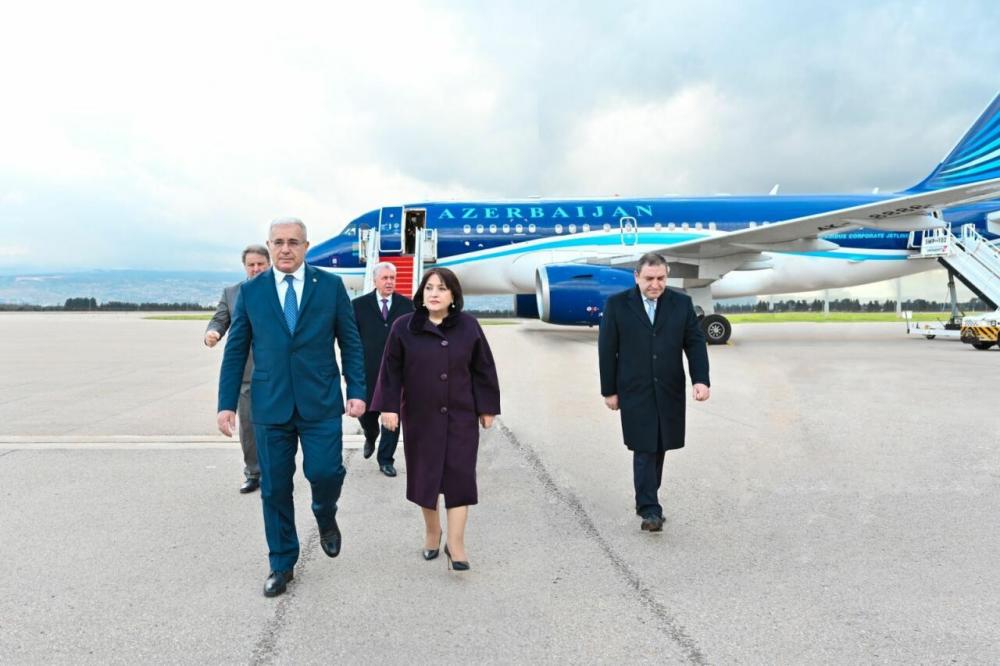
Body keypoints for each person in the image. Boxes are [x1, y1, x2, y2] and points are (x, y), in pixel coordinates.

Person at [217, 217, 366, 597]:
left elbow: (350, 342)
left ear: (306, 247)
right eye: (279, 242)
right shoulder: (251, 292)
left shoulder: (329, 286)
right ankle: (281, 563)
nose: (285, 249)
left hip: (320, 401)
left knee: (326, 472)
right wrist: (226, 403)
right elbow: (236, 351)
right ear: (269, 246)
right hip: (270, 404)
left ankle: (325, 512)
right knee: (275, 489)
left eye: (293, 242)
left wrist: (357, 389)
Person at [371, 267, 500, 571]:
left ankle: (456, 544)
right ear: (421, 293)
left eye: (441, 288)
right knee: (425, 477)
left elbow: (483, 369)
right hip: (420, 417)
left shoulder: (469, 326)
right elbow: (390, 370)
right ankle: (433, 532)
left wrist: (487, 408)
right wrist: (388, 407)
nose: (434, 293)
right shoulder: (404, 327)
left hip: (461, 416)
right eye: (429, 288)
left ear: (453, 295)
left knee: (460, 477)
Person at [597, 252, 710, 533]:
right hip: (634, 389)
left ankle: (648, 500)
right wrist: (609, 391)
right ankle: (649, 508)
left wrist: (700, 380)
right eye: (649, 278)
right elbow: (607, 350)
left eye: (661, 278)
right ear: (637, 277)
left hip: (669, 389)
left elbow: (695, 343)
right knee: (644, 447)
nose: (655, 284)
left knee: (660, 445)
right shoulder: (617, 305)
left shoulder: (681, 304)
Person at [205, 244, 271, 494]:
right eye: (251, 265)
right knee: (249, 428)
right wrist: (213, 333)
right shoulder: (232, 293)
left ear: (269, 265)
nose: (256, 269)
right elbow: (220, 319)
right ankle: (253, 473)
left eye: (260, 264)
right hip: (247, 373)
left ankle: (276, 472)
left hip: (277, 372)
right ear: (245, 267)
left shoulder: (280, 291)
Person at [352, 262, 414, 477]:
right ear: (375, 280)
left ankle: (386, 459)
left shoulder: (408, 306)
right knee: (367, 416)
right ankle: (370, 435)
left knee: (392, 417)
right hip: (367, 372)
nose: (389, 282)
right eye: (385, 278)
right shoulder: (358, 305)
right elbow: (351, 340)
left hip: (396, 373)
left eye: (392, 278)